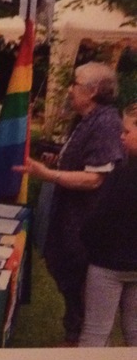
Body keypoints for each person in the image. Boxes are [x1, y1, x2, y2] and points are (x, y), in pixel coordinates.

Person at [14, 61, 125, 345]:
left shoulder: (106, 122)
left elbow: (96, 179)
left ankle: (82, 344)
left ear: (94, 90)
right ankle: (76, 338)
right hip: (70, 218)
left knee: (80, 286)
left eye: (75, 83)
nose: (69, 89)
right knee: (68, 277)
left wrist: (49, 173)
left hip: (84, 224)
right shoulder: (89, 119)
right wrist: (59, 160)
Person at [78, 102, 137, 346]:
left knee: (95, 332)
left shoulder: (123, 174)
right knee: (135, 330)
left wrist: (88, 243)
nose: (121, 136)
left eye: (127, 131)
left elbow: (99, 219)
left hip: (108, 264)